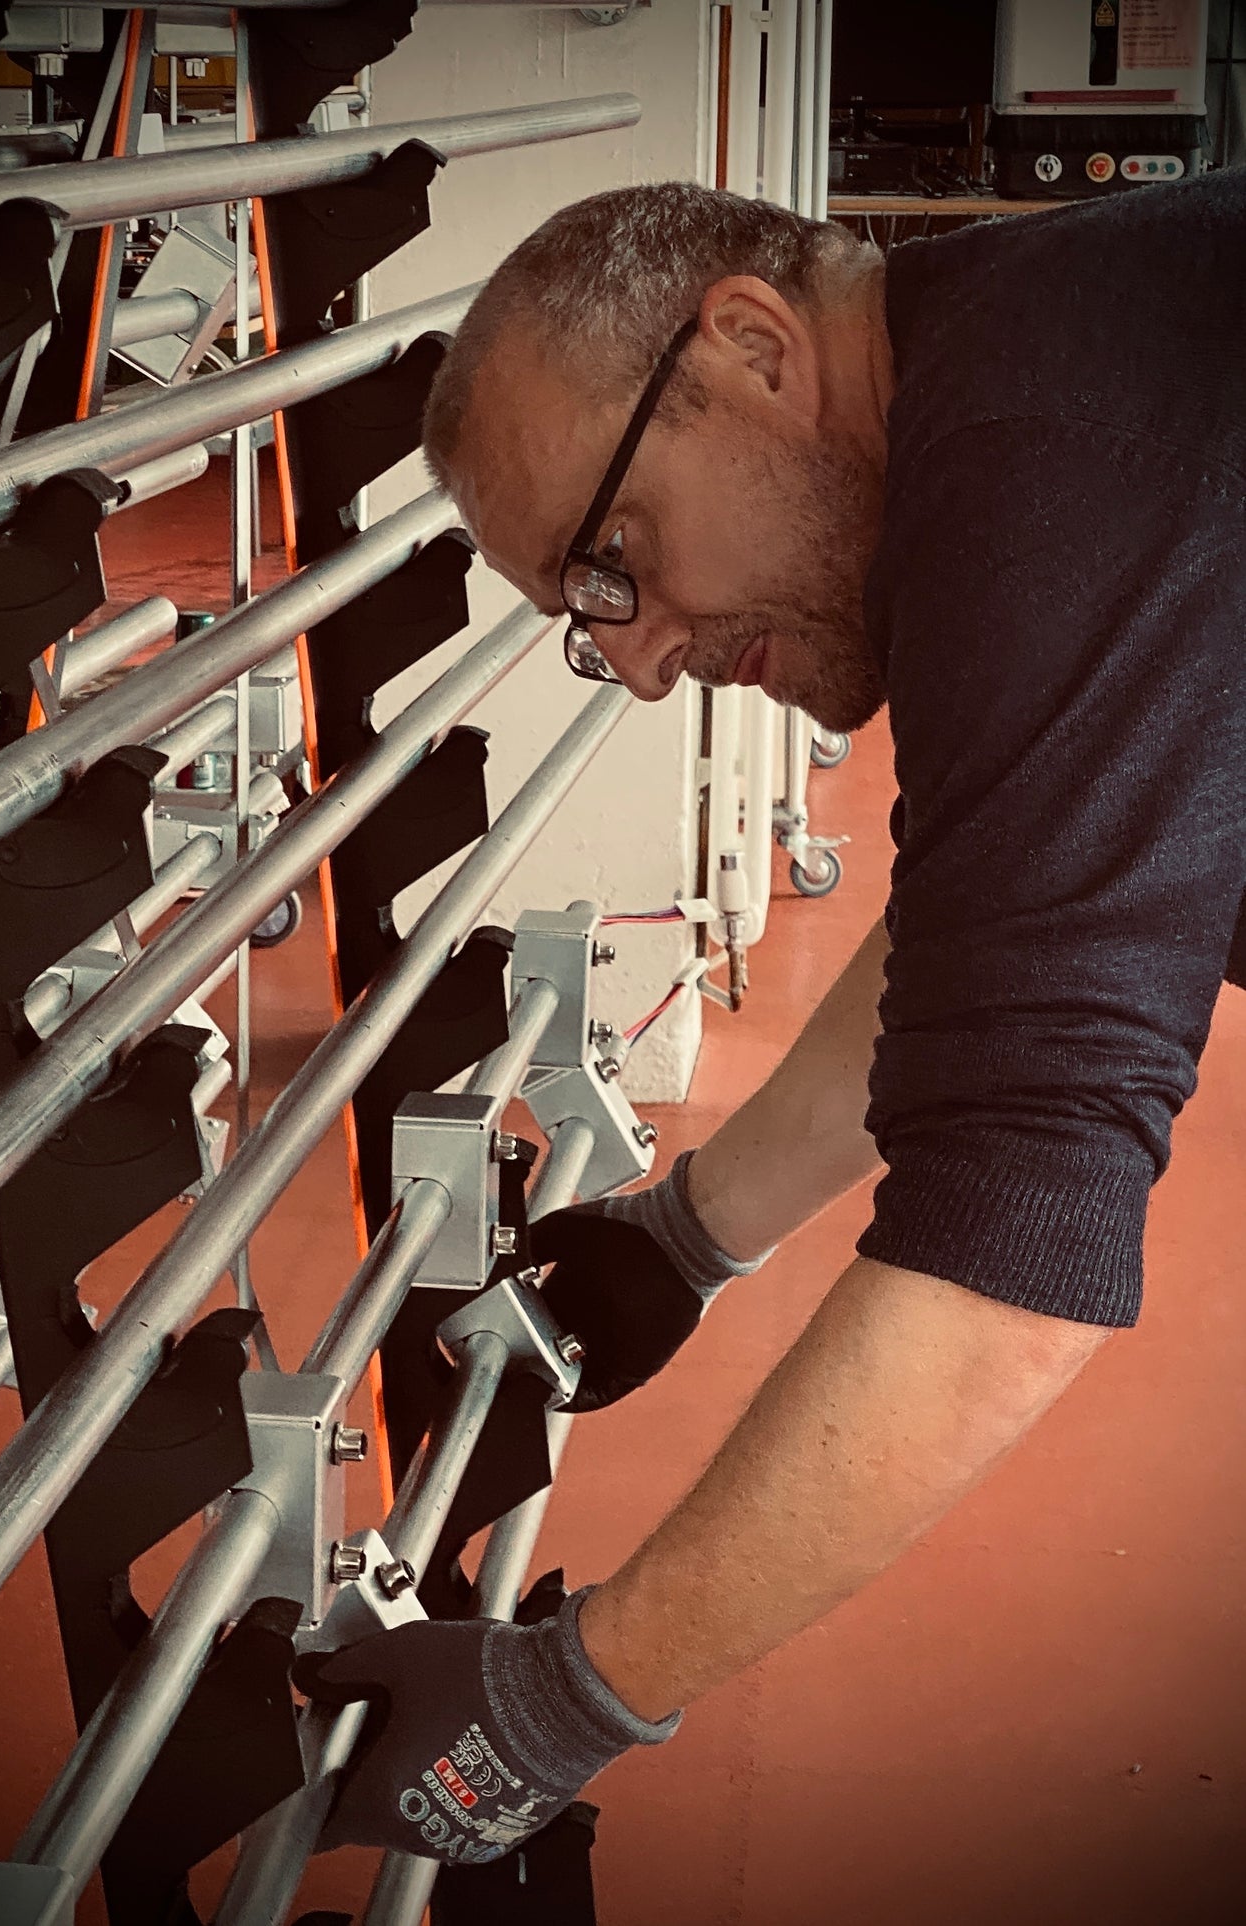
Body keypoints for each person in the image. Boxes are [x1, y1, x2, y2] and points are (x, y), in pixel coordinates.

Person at [295, 169, 1246, 1867]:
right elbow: (993, 934)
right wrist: (683, 1230)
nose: (647, 660)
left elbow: (1020, 1237)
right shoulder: (1028, 391)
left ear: (747, 345)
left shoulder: (1045, 450)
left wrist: (565, 1696)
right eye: (589, 622)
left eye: (618, 564)